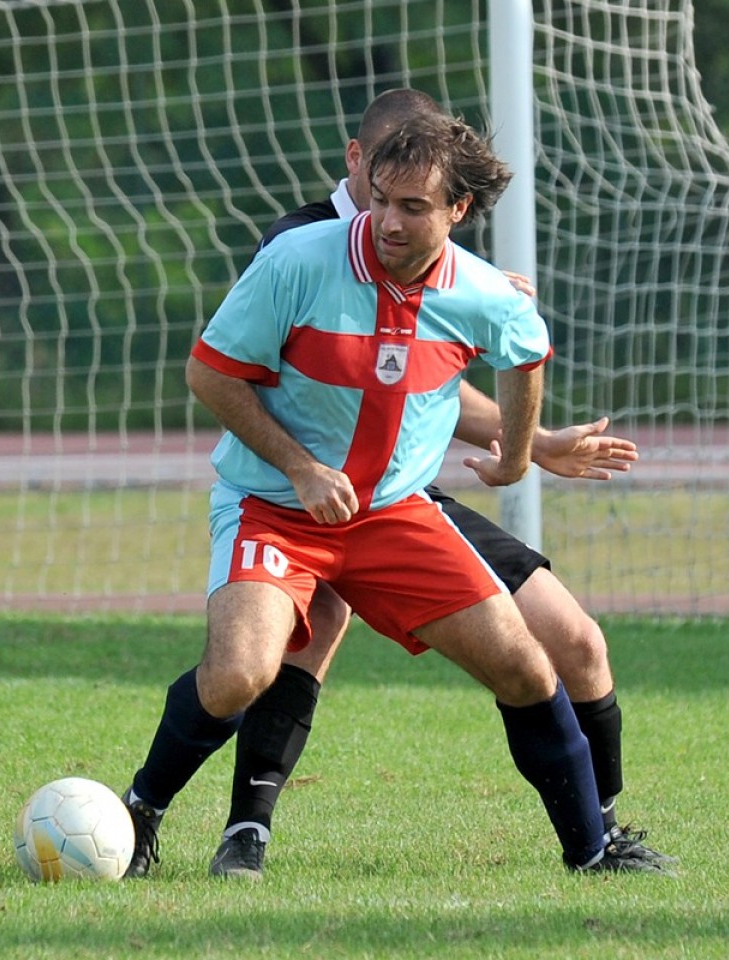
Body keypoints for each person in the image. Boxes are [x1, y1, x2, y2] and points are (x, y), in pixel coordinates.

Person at [120, 109, 665, 880]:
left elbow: (525, 352)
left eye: (413, 207)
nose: (388, 221)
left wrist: (519, 453)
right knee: (242, 672)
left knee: (527, 665)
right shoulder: (296, 261)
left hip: (394, 516)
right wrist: (302, 467)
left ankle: (593, 853)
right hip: (274, 507)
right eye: (380, 199)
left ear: (458, 211)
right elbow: (210, 373)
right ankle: (141, 813)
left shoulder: (482, 292)